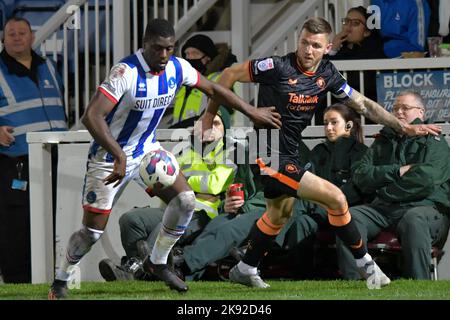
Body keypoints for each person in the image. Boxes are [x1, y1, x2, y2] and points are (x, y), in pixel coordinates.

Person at [197, 17, 440, 289]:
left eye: (315, 45)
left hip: (288, 151)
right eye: (304, 43)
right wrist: (224, 114)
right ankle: (368, 268)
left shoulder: (328, 75)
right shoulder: (276, 66)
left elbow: (363, 104)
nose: (307, 50)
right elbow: (228, 75)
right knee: (335, 198)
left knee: (277, 216)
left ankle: (246, 267)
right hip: (265, 147)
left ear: (327, 47)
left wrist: (402, 127)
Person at [48, 18, 281, 299]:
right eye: (157, 49)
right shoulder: (125, 72)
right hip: (109, 158)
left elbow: (215, 89)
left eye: (169, 49)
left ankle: (158, 261)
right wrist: (118, 154)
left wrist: (251, 111)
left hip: (146, 149)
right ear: (144, 44)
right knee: (91, 233)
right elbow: (91, 116)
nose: (163, 55)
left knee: (185, 200)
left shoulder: (177, 67)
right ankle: (60, 280)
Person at [170, 103, 372, 281]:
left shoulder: (294, 152)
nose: (260, 125)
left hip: (275, 209)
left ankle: (181, 264)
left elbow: (300, 191)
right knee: (218, 223)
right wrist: (228, 203)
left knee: (231, 229)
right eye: (258, 121)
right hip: (251, 208)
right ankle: (187, 271)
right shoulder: (251, 150)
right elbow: (240, 185)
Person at [97, 109, 261, 281]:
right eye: (203, 122)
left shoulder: (234, 151)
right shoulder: (184, 151)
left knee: (168, 223)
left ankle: (133, 270)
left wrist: (182, 182)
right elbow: (166, 184)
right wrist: (183, 186)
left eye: (215, 123)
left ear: (224, 128)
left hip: (207, 214)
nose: (208, 127)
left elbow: (215, 184)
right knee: (131, 220)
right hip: (177, 206)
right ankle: (139, 268)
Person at [336, 90, 450, 280]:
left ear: (421, 112)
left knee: (414, 218)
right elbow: (361, 175)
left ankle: (419, 286)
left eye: (405, 108)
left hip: (425, 208)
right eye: (395, 108)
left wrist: (384, 189)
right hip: (383, 210)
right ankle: (357, 284)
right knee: (349, 218)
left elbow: (426, 180)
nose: (398, 112)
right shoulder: (383, 140)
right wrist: (397, 171)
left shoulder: (434, 140)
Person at [0, 17, 67, 284]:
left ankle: (51, 273)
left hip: (55, 157)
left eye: (22, 33)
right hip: (16, 159)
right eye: (11, 33)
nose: (17, 37)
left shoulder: (48, 65)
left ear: (32, 37)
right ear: (3, 39)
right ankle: (17, 278)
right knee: (16, 222)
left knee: (53, 217)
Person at [171, 34, 236, 126]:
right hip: (179, 137)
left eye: (195, 53)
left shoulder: (220, 79)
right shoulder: (183, 81)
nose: (190, 58)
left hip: (207, 137)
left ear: (208, 58)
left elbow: (223, 113)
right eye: (187, 54)